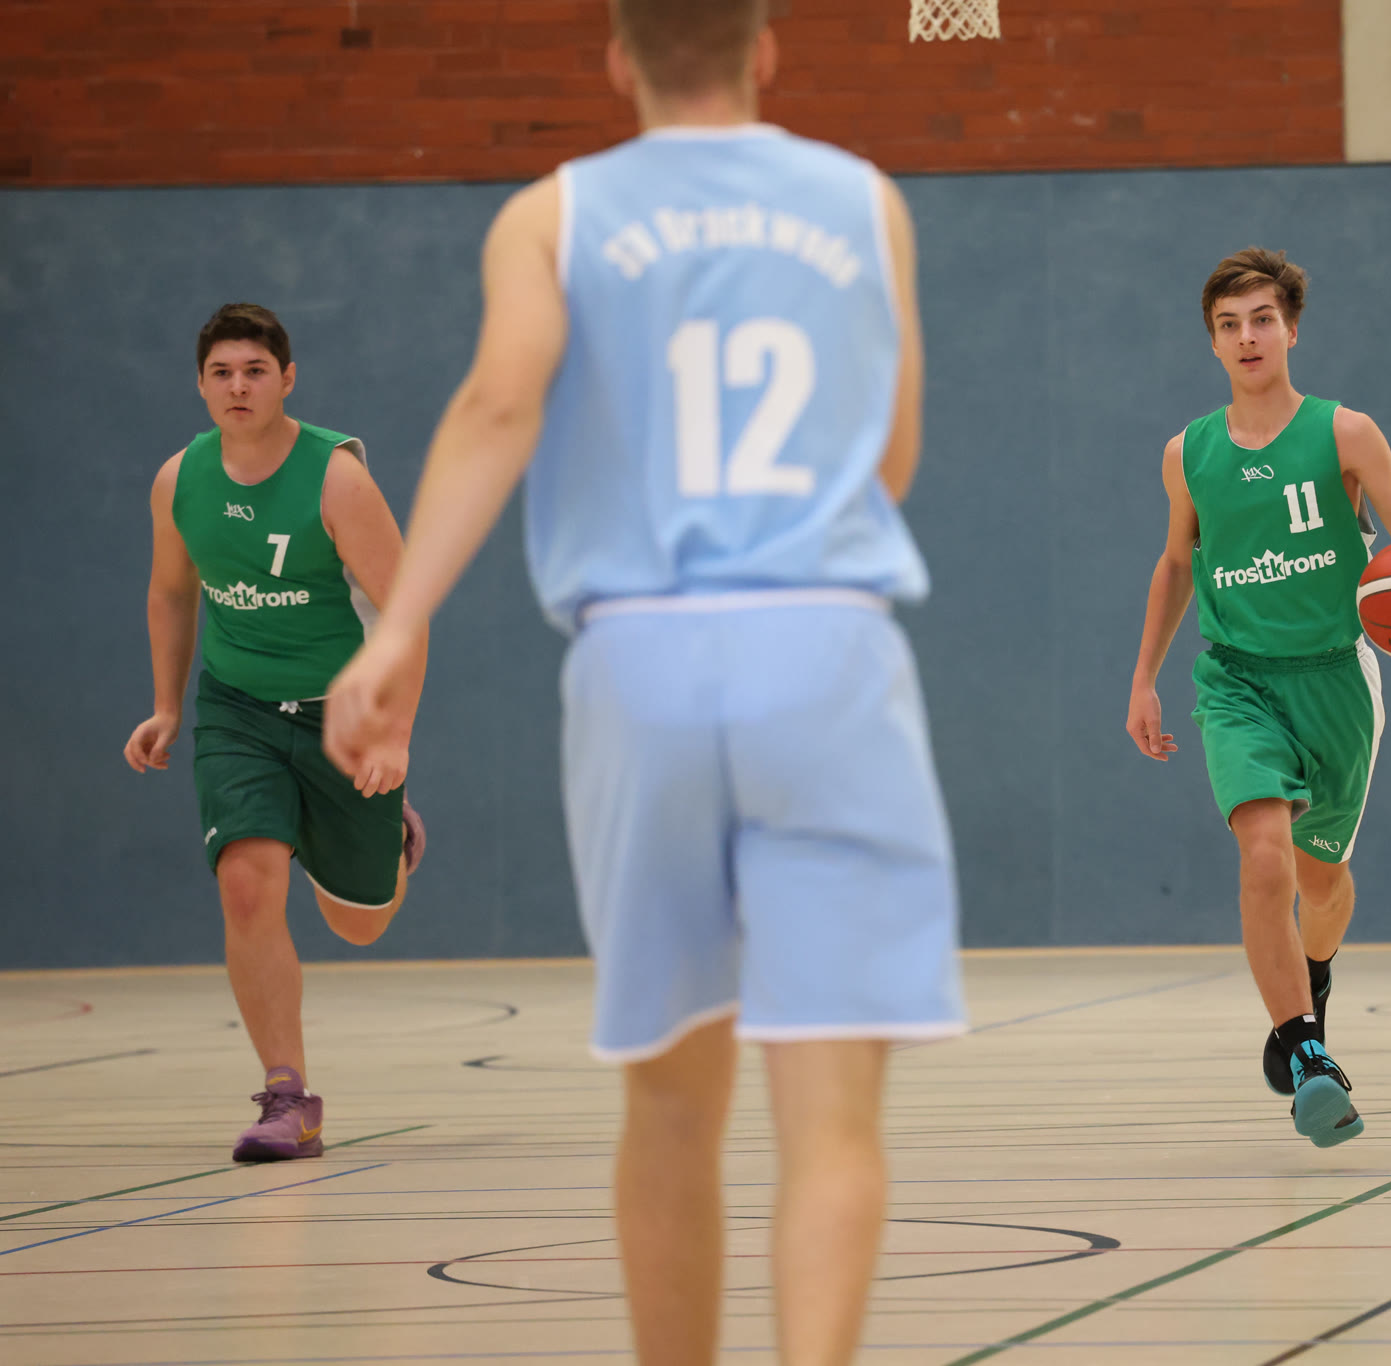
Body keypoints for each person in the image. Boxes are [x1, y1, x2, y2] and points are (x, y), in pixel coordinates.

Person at [319, 2, 964, 1362]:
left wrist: (394, 627)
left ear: (617, 59)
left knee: (670, 1104)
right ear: (763, 48)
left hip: (639, 662)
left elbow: (499, 405)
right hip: (823, 650)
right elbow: (892, 457)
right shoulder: (866, 202)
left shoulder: (550, 216)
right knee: (831, 1118)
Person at [1125, 246, 1391, 1149]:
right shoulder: (1188, 453)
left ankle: (1315, 978)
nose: (1247, 337)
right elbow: (1176, 563)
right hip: (1237, 681)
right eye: (1228, 325)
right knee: (1265, 857)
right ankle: (1307, 1055)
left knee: (1321, 882)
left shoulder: (1346, 435)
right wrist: (1144, 678)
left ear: (1291, 330)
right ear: (1213, 343)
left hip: (1335, 680)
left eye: (1262, 319)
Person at [123, 302, 428, 1163]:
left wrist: (394, 737)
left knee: (359, 924)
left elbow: (405, 614)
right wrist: (168, 706)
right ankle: (287, 1095)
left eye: (255, 370)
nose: (238, 387)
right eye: (221, 372)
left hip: (344, 716)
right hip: (238, 710)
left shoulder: (336, 479)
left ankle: (391, 841)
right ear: (200, 385)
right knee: (248, 886)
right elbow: (171, 591)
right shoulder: (179, 479)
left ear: (286, 380)